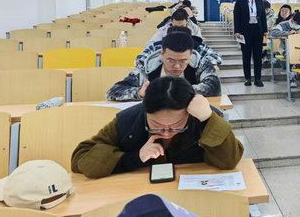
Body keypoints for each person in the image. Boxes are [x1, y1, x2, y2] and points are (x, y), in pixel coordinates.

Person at [72, 76, 243, 179]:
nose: (167, 132)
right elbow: (81, 159)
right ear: (145, 111)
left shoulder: (203, 116)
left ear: (189, 112)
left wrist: (207, 120)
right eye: (157, 125)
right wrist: (136, 157)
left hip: (193, 196)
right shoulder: (129, 120)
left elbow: (229, 160)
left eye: (176, 126)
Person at [107, 31, 221, 101]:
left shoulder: (200, 62)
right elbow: (113, 92)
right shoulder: (147, 66)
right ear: (162, 54)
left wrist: (170, 91)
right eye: (171, 60)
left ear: (191, 55)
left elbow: (214, 88)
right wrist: (139, 93)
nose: (177, 66)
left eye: (183, 61)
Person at [233, 0, 268, 87]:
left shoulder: (260, 2)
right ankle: (247, 78)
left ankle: (258, 79)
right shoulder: (240, 2)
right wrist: (237, 31)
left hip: (257, 30)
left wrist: (265, 30)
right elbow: (236, 17)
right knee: (246, 56)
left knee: (257, 56)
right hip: (245, 31)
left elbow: (263, 17)